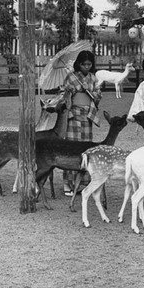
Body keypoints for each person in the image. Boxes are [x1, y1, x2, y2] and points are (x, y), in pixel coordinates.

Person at [62, 50, 102, 196]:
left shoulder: (93, 78)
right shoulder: (71, 77)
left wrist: (90, 92)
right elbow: (63, 95)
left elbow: (98, 95)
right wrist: (70, 91)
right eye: (84, 64)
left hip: (87, 116)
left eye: (89, 64)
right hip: (73, 114)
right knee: (72, 148)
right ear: (78, 64)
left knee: (86, 149)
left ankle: (83, 183)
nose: (86, 67)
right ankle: (68, 183)